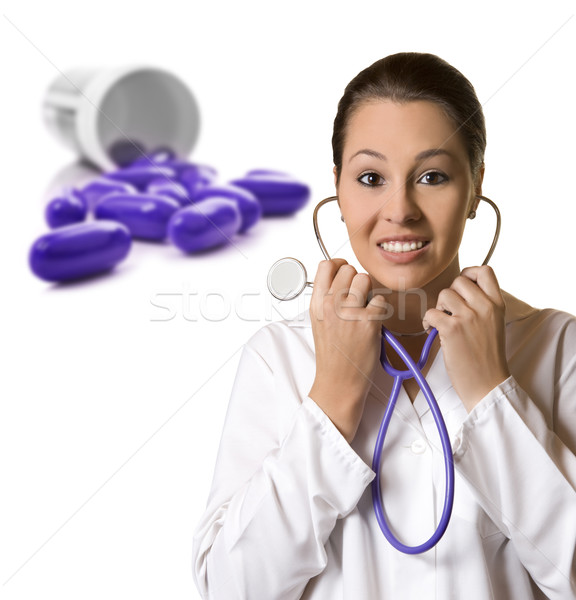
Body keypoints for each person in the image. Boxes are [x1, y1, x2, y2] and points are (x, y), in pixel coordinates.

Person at [192, 52, 576, 599]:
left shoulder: (558, 347)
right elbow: (230, 589)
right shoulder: (279, 357)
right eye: (371, 177)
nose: (400, 209)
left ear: (474, 188)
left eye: (433, 176)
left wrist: (493, 394)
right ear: (339, 189)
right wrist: (331, 400)